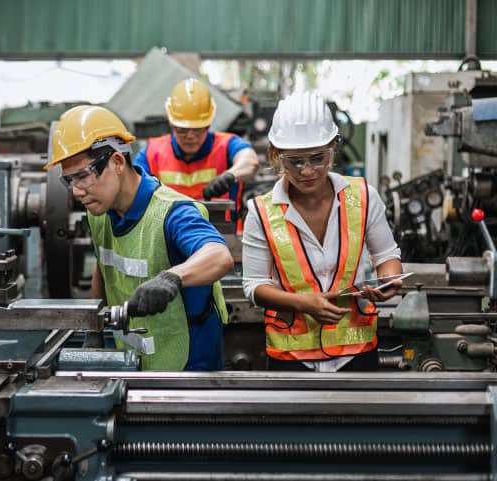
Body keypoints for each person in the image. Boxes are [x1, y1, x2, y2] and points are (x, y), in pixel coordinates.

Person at [44, 105, 234, 371]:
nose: (76, 191)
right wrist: (93, 328)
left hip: (188, 368)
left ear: (118, 162)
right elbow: (104, 267)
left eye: (83, 176)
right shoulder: (99, 212)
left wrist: (172, 278)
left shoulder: (171, 212)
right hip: (131, 362)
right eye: (69, 180)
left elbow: (218, 256)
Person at [241, 92, 403, 372]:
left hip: (356, 353)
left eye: (318, 158)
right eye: (295, 161)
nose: (307, 171)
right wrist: (302, 303)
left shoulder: (364, 197)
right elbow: (254, 286)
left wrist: (388, 280)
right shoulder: (261, 211)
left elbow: (386, 256)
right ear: (277, 155)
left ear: (333, 147)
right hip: (291, 359)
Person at [133, 78, 259, 231]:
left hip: (222, 239)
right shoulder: (152, 152)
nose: (190, 136)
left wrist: (230, 175)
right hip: (167, 237)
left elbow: (250, 161)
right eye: (182, 129)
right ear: (171, 123)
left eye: (198, 129)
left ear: (208, 124)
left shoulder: (227, 145)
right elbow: (131, 185)